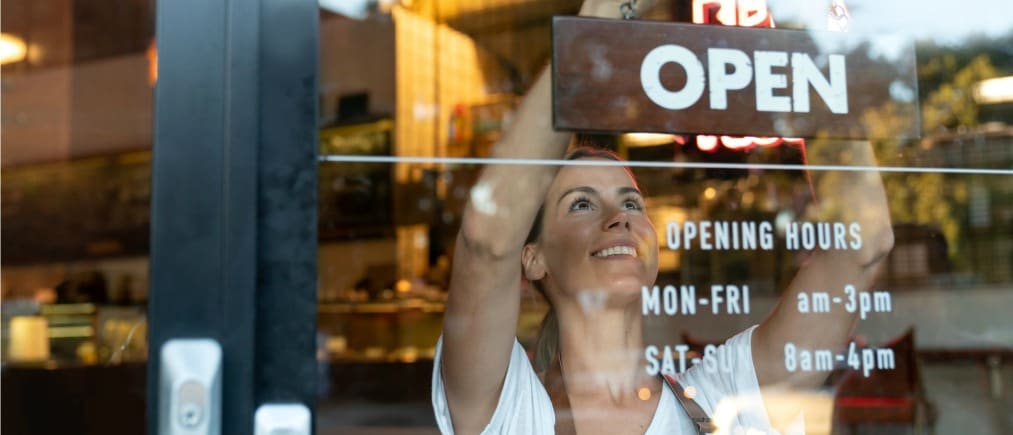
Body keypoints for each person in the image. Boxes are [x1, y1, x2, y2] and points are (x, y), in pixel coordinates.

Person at [432, 0, 894, 433]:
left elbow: (862, 246)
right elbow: (487, 241)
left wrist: (806, 41)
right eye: (581, 203)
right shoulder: (512, 407)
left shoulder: (721, 396)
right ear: (533, 258)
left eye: (631, 203)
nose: (618, 218)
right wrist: (589, 31)